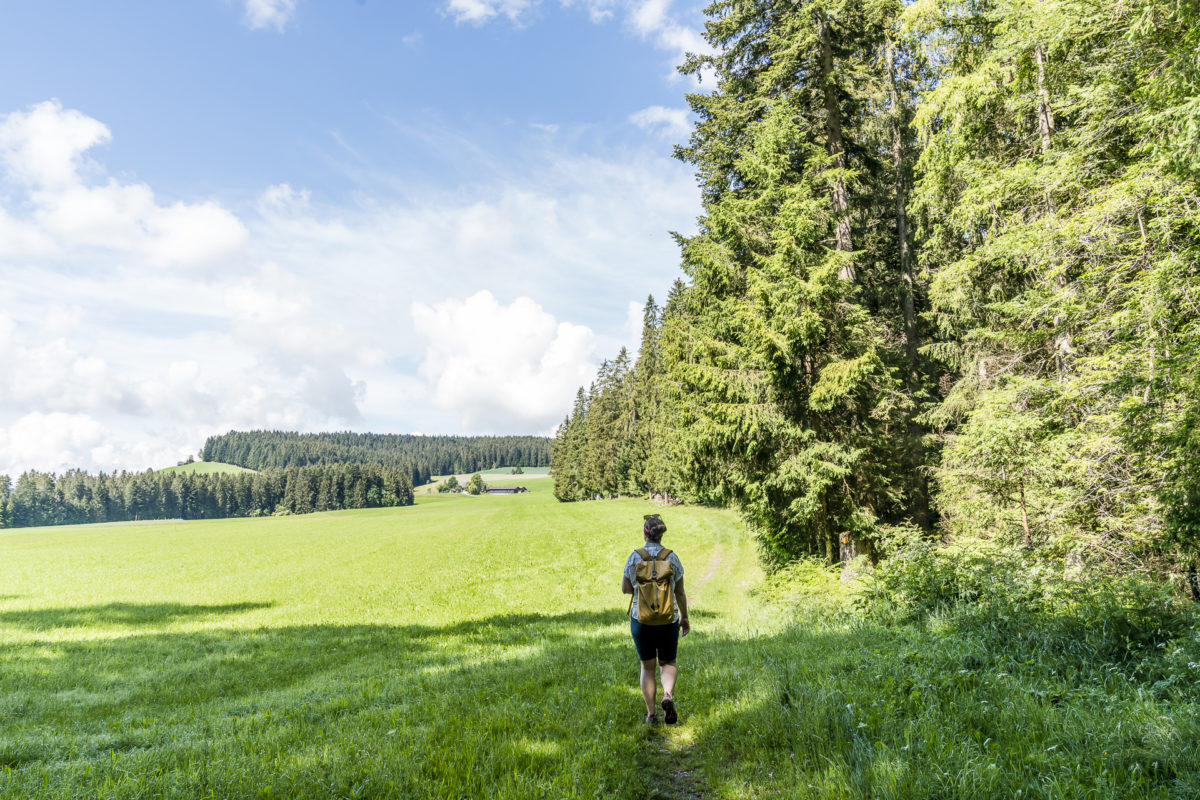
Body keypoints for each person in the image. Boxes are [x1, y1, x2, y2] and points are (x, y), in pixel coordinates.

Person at [622, 514, 690, 725]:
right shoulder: (672, 558)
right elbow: (680, 592)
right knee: (668, 662)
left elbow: (625, 589)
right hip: (668, 620)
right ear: (661, 535)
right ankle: (667, 695)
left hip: (641, 620)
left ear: (645, 533)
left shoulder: (634, 557)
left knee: (647, 667)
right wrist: (685, 617)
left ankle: (651, 715)